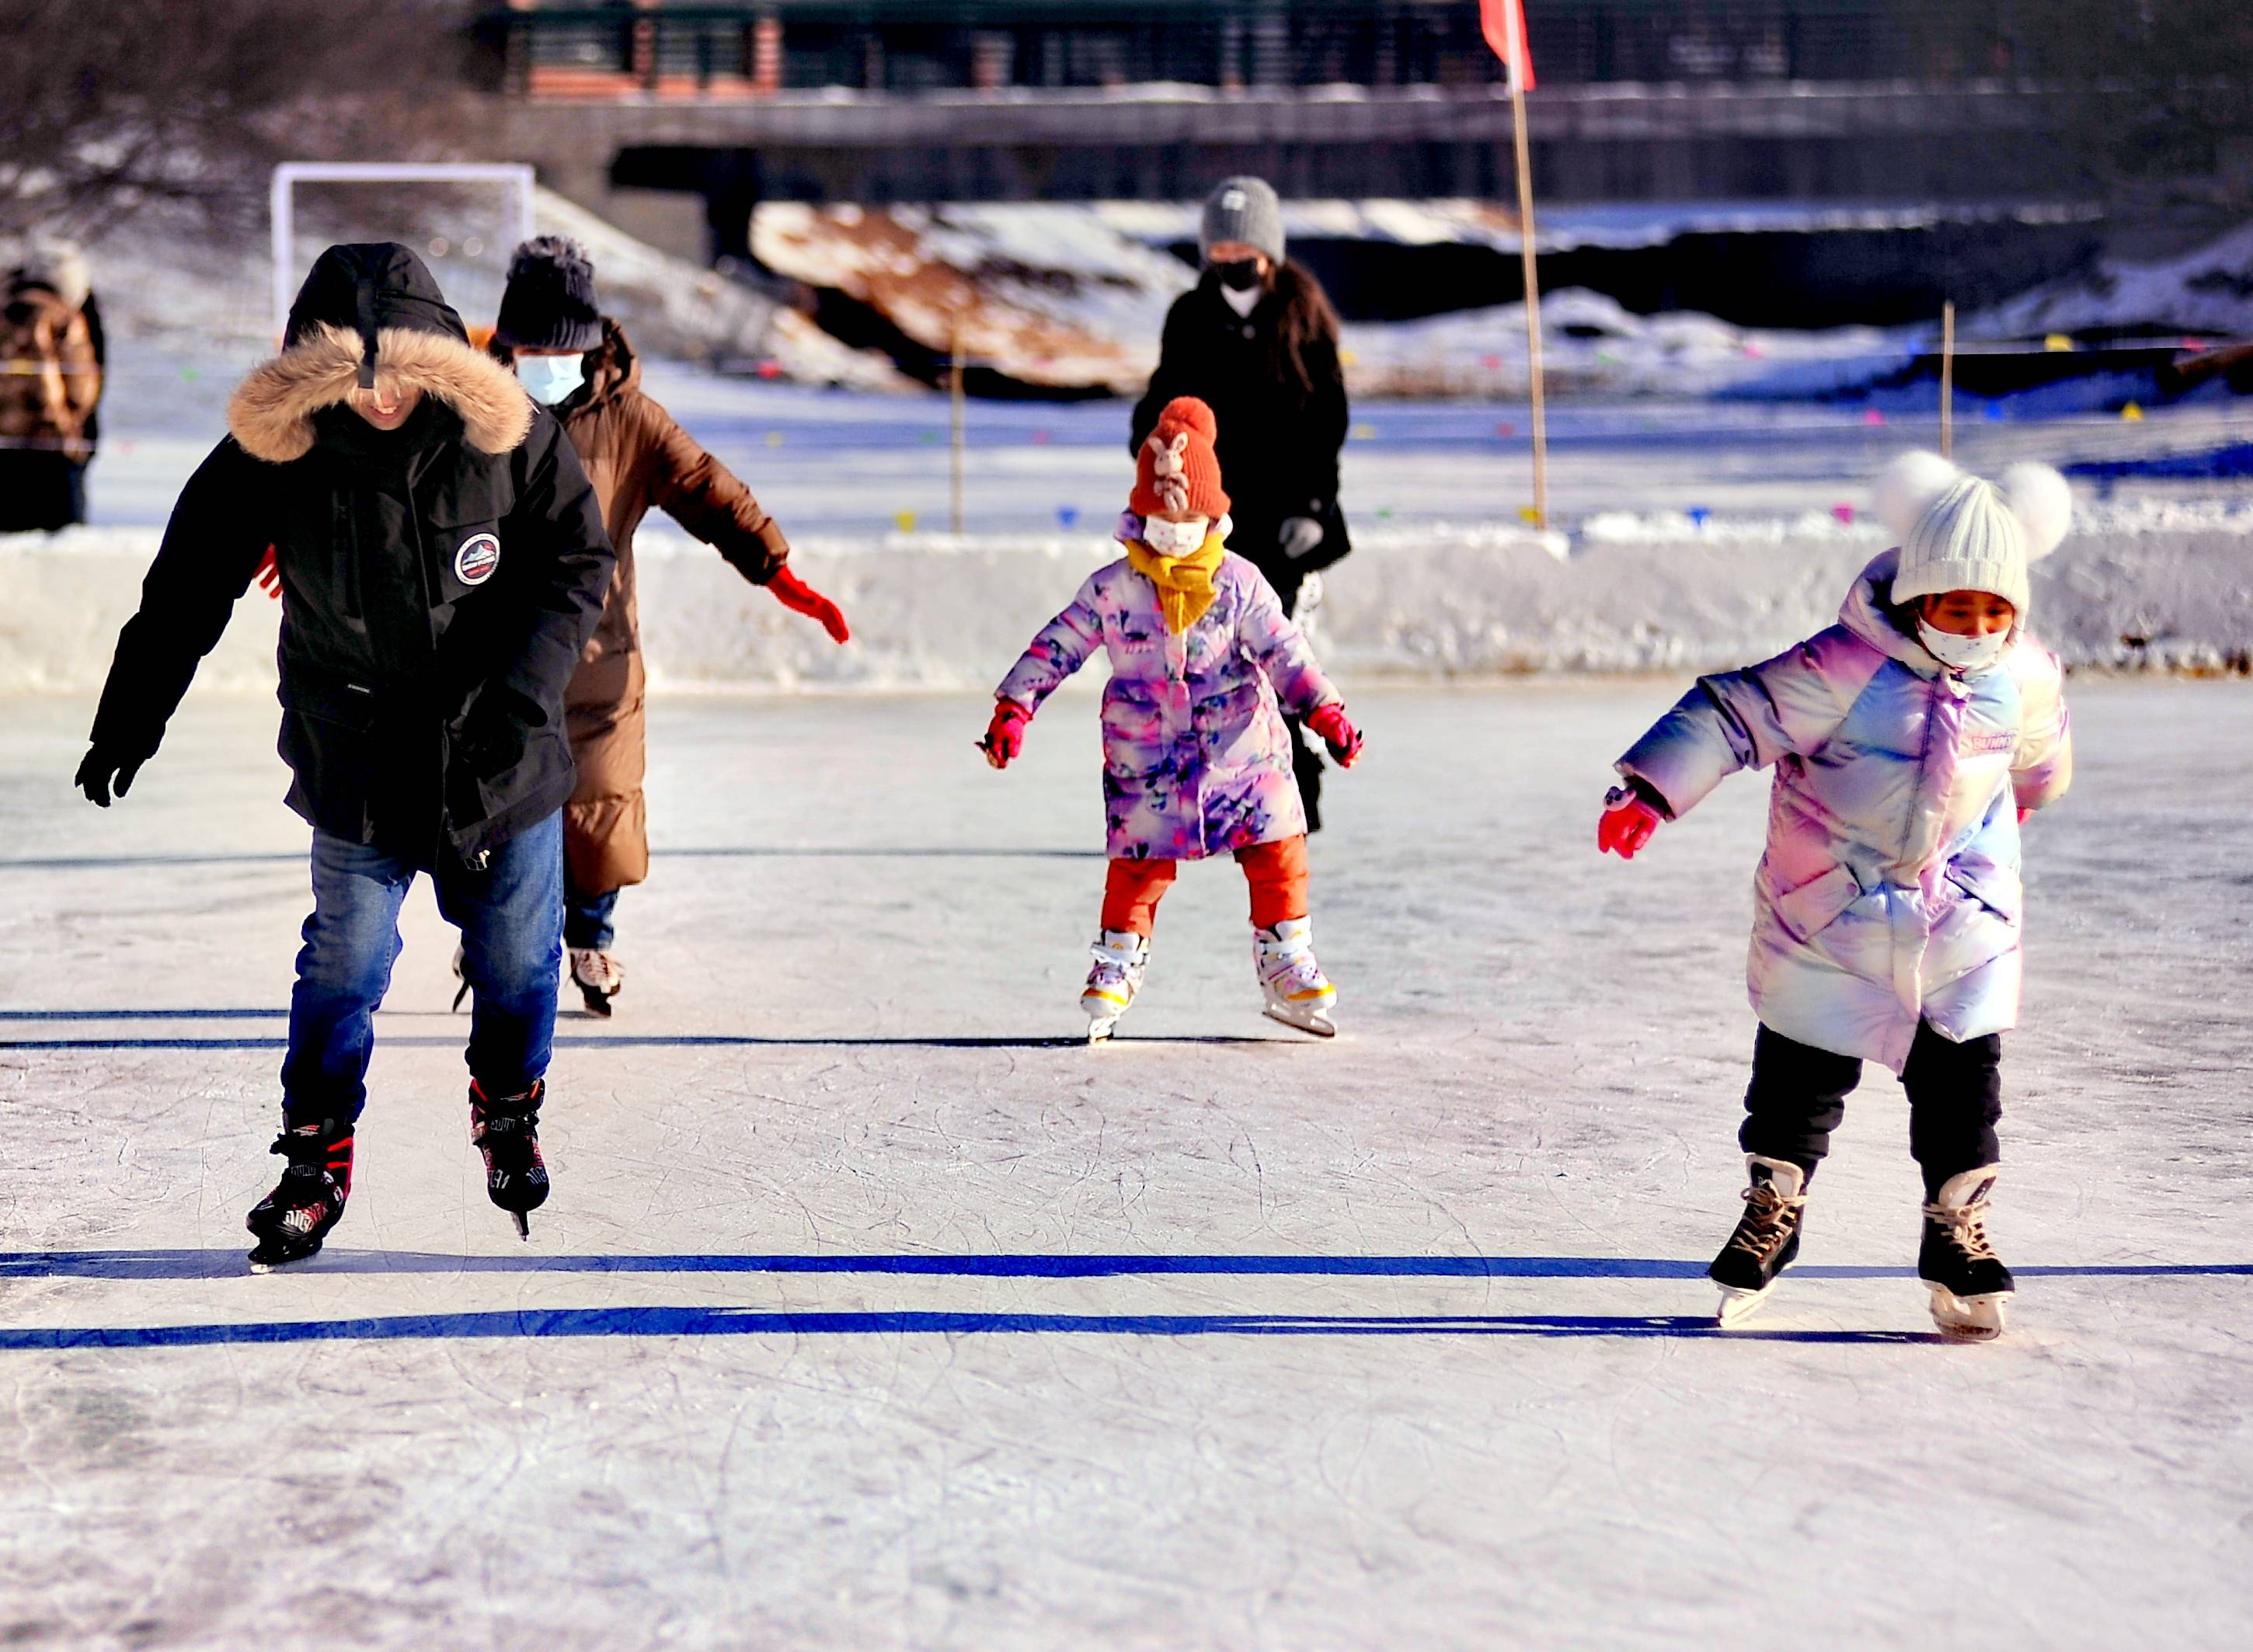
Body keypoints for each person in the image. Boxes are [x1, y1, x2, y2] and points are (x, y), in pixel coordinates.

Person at [75, 242, 615, 1268]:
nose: (381, 397)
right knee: (346, 962)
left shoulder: (509, 437)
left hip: (500, 752)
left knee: (517, 959)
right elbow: (188, 582)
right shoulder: (275, 451)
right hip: (357, 754)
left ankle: (508, 1102)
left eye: (402, 372)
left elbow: (575, 562)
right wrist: (130, 712)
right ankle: (316, 1156)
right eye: (355, 378)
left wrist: (522, 690)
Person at [1599, 453, 2075, 1339]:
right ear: (1917, 598)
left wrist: (2017, 814)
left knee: (1963, 1087)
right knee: (1796, 1079)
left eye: (1992, 610)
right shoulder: (1842, 666)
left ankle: (1956, 1234)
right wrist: (1652, 788)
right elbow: (1734, 714)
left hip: (1957, 921)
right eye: (1953, 606)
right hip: (1828, 911)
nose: (1973, 625)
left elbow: (2039, 760)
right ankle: (1771, 1207)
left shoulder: (2026, 675)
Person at [487, 235, 850, 1017]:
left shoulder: (630, 419)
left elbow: (704, 486)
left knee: (601, 801)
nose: (546, 359)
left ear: (588, 344)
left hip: (597, 647)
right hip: (494, 648)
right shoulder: (477, 410)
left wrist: (772, 565)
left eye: (562, 346)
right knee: (504, 804)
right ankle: (500, 934)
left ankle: (591, 938)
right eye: (531, 346)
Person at [983, 395, 1364, 1042]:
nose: (1172, 528)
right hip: (1147, 759)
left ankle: (1286, 959)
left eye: (1185, 515)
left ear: (1212, 511)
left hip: (1244, 754)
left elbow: (1284, 650)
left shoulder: (1239, 582)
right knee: (1138, 866)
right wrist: (1015, 706)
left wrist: (1324, 709)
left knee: (1278, 849)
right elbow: (1059, 643)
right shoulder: (1113, 587)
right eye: (1160, 514)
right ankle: (1116, 963)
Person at [1131, 176, 1351, 831]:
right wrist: (1154, 456)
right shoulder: (1190, 318)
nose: (1229, 269)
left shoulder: (1304, 318)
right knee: (1209, 663)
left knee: (1279, 655)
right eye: (1217, 256)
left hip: (1289, 522)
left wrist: (1312, 506)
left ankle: (1297, 795)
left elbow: (1326, 421)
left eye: (1243, 257)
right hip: (1212, 520)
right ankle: (1216, 797)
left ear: (1270, 255)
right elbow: (1163, 401)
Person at [0, 239, 101, 532]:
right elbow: (81, 387)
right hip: (52, 445)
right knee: (61, 544)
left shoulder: (4, 310)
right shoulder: (65, 318)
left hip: (4, 446)